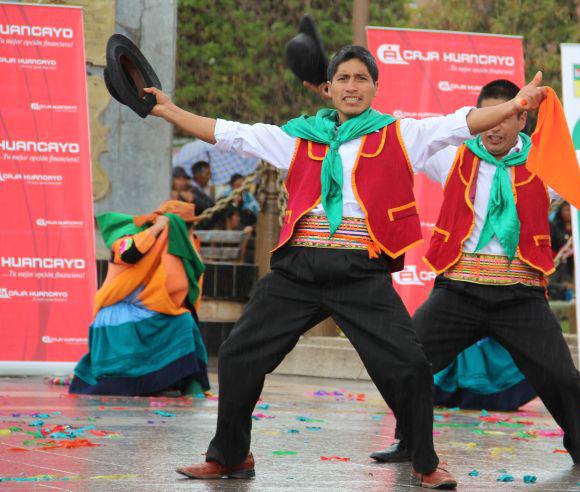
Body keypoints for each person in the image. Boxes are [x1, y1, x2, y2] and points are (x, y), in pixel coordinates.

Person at [147, 45, 547, 488]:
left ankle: (425, 460)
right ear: (328, 88)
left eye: (361, 78)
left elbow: (461, 123)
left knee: (411, 365)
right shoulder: (299, 136)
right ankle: (231, 455)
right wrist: (170, 111)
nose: (352, 86)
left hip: (361, 269)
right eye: (344, 78)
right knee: (240, 354)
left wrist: (516, 105)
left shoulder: (400, 134)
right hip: (298, 268)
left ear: (375, 87)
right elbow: (230, 133)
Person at [370, 79, 580, 469]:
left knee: (563, 378)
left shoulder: (548, 163)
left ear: (522, 119)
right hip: (458, 291)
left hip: (519, 296)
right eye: (489, 118)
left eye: (507, 116)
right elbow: (399, 139)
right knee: (408, 361)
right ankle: (409, 441)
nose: (495, 127)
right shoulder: (451, 156)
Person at [70, 201, 209, 397]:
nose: (186, 232)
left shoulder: (178, 249)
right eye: (183, 226)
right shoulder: (129, 235)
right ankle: (148, 381)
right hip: (119, 312)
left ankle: (188, 385)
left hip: (151, 310)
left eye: (188, 227)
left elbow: (183, 288)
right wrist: (157, 228)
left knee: (185, 321)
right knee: (182, 322)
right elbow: (128, 253)